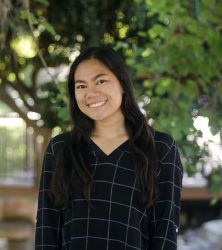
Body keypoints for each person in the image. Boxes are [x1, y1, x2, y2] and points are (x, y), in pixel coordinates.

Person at [35, 46, 183, 250]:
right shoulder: (60, 149)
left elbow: (165, 231)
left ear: (122, 84)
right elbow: (47, 229)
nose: (90, 93)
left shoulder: (160, 148)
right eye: (81, 86)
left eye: (101, 81)